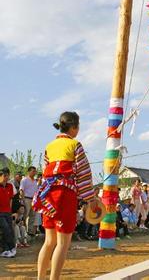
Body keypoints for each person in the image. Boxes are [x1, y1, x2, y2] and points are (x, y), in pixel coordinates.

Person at [33, 111, 97, 280]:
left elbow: (47, 171)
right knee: (62, 243)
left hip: (47, 195)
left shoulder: (49, 146)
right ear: (74, 128)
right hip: (64, 195)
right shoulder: (75, 145)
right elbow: (83, 174)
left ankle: (40, 278)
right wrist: (90, 199)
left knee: (49, 241)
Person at [0, 168, 16, 258]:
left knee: (9, 230)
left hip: (7, 212)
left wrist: (10, 211)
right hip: (0, 213)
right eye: (4, 176)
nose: (6, 177)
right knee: (5, 229)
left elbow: (11, 199)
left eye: (7, 176)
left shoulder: (10, 186)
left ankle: (6, 250)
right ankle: (12, 248)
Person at [20, 166, 37, 236]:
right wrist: (23, 200)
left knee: (32, 215)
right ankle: (23, 232)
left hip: (34, 200)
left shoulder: (35, 181)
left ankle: (30, 231)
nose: (34, 173)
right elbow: (21, 190)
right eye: (33, 171)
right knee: (25, 215)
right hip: (26, 199)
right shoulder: (24, 180)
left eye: (35, 171)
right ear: (29, 171)